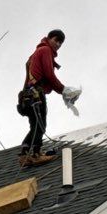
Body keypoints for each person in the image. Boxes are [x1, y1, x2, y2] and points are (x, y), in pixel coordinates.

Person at [17, 29, 66, 167]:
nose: (58, 44)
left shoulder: (36, 53)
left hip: (29, 95)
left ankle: (26, 154)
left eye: (60, 43)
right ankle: (35, 154)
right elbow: (49, 75)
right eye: (56, 40)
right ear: (49, 38)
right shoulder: (45, 50)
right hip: (36, 94)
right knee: (40, 125)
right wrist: (64, 90)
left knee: (36, 125)